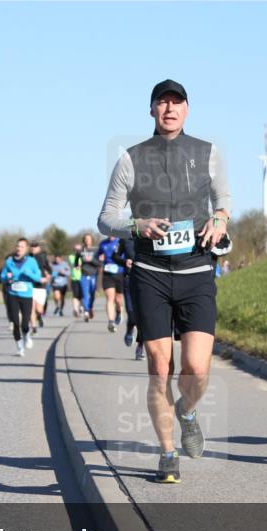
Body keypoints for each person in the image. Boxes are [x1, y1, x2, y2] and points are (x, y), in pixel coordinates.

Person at [97, 79, 231, 484]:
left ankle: (187, 411)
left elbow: (223, 201)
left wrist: (219, 219)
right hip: (151, 275)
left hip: (196, 272)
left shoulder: (207, 152)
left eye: (177, 102)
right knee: (159, 368)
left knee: (196, 369)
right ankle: (168, 454)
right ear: (152, 110)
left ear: (187, 110)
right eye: (162, 102)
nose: (170, 109)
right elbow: (106, 218)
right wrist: (136, 225)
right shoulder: (131, 159)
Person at [0, 238, 43, 356]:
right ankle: (19, 346)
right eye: (18, 246)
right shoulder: (9, 262)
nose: (19, 248)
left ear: (26, 248)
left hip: (26, 295)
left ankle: (27, 336)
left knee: (24, 323)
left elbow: (38, 277)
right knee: (15, 322)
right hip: (12, 294)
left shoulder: (31, 261)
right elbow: (2, 277)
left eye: (22, 246)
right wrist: (7, 277)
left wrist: (28, 273)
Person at [120, 235, 144, 360]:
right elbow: (115, 256)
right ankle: (130, 330)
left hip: (146, 281)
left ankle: (140, 346)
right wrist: (124, 262)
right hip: (129, 280)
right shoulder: (125, 240)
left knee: (144, 316)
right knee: (132, 315)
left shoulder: (150, 236)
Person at [97, 234, 127, 332]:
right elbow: (97, 256)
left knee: (118, 300)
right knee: (110, 298)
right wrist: (100, 258)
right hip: (107, 274)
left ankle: (118, 311)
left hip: (119, 273)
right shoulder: (103, 244)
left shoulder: (120, 242)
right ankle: (111, 321)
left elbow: (126, 255)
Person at [29, 240, 52, 333]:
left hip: (41, 285)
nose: (33, 248)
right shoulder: (28, 257)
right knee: (31, 307)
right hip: (30, 285)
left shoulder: (43, 256)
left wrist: (48, 274)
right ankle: (34, 327)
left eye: (35, 246)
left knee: (39, 310)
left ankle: (39, 316)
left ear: (39, 248)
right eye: (32, 246)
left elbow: (48, 268)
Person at [78, 233, 100, 321]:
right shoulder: (81, 251)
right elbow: (76, 260)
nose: (87, 240)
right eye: (86, 239)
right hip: (84, 275)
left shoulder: (96, 250)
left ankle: (90, 307)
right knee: (85, 294)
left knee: (92, 294)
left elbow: (99, 263)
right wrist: (77, 265)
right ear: (84, 240)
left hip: (93, 275)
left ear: (91, 240)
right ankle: (86, 311)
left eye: (89, 239)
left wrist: (91, 260)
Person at [68, 243, 83, 317]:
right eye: (76, 249)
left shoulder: (83, 256)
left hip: (83, 278)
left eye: (79, 249)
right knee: (75, 295)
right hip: (74, 278)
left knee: (82, 295)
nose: (78, 251)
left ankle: (81, 307)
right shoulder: (71, 257)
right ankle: (75, 309)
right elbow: (75, 264)